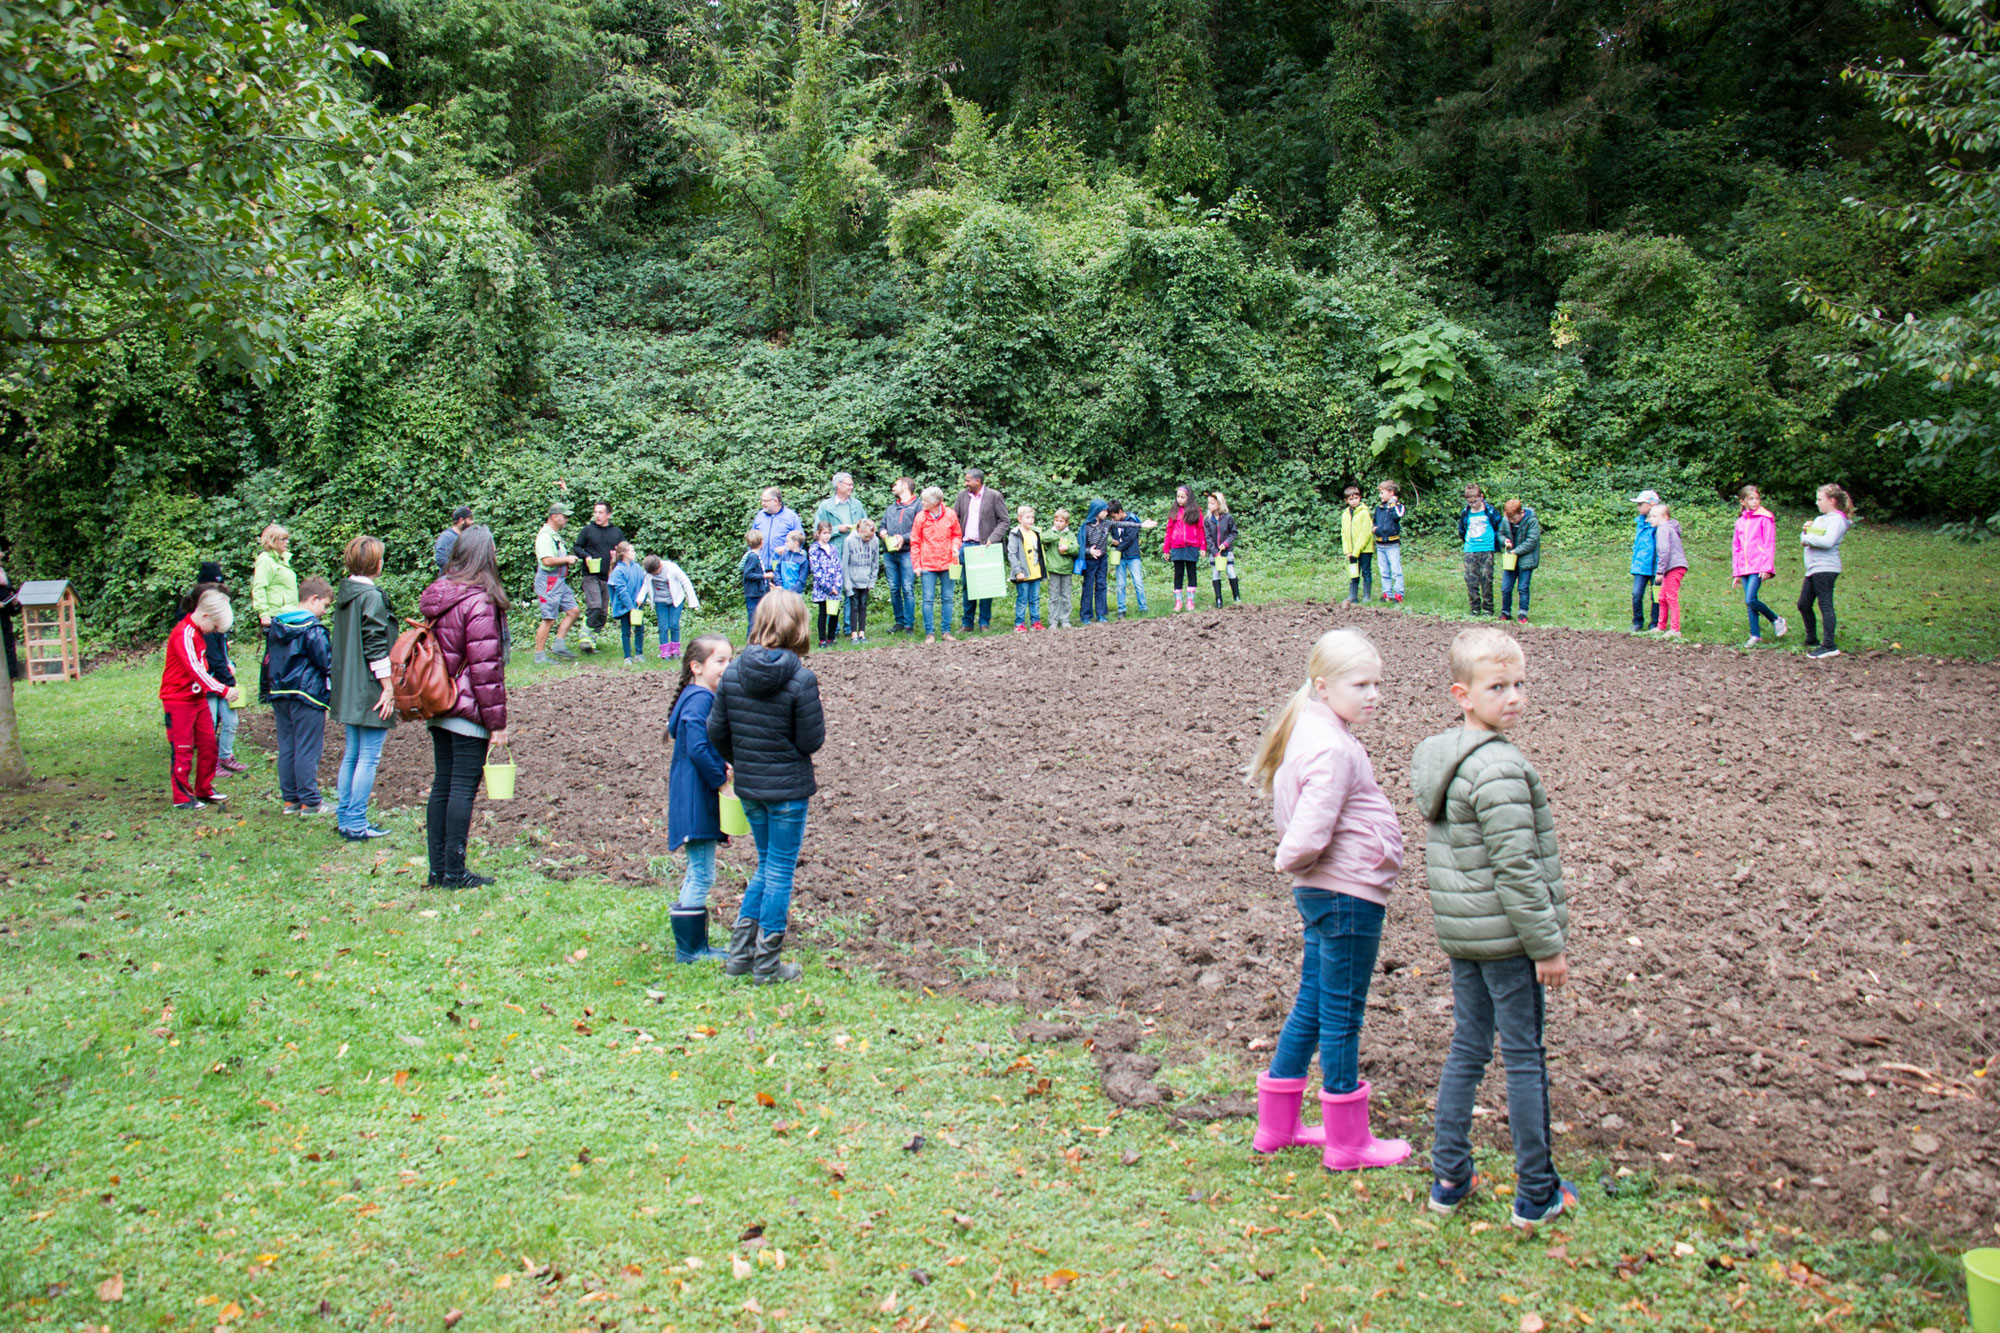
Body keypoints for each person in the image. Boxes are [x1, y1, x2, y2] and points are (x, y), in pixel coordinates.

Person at [1411, 626, 1576, 1229]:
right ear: (1462, 693)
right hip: (1508, 942)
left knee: (1469, 1048)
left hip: (1464, 937)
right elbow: (1517, 870)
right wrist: (1547, 946)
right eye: (1498, 686)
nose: (1514, 697)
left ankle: (1449, 1176)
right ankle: (1537, 1190)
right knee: (1525, 1057)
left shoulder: (1443, 758)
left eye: (1519, 684)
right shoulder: (1500, 769)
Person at [1244, 628, 1409, 1170]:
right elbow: (1313, 826)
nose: (1373, 695)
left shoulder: (1311, 730)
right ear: (1323, 685)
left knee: (1314, 1005)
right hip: (1346, 893)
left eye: (1376, 684)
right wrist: (1288, 857)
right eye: (1360, 684)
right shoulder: (1332, 745)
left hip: (1326, 891)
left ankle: (1278, 1126)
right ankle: (1347, 1142)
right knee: (1341, 1012)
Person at [709, 590, 825, 985]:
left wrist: (744, 761)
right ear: (798, 626)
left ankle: (741, 955)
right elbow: (811, 741)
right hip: (787, 791)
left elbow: (717, 732)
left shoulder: (733, 673)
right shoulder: (801, 678)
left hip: (752, 788)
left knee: (767, 864)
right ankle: (767, 963)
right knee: (779, 870)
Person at [420, 526, 510, 889]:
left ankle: (438, 869)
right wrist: (497, 722)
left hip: (437, 699)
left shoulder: (439, 593)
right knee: (461, 786)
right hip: (467, 706)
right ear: (485, 554)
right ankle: (455, 873)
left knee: (442, 783)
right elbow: (485, 668)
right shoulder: (479, 600)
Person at [666, 633, 735, 964]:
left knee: (697, 871)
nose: (727, 666)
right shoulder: (699, 700)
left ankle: (689, 945)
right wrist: (722, 779)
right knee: (703, 873)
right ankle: (691, 950)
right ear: (696, 667)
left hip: (689, 795)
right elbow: (697, 746)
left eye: (730, 660)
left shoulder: (694, 697)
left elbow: (699, 743)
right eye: (719, 661)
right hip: (696, 797)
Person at [330, 537, 398, 841]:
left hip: (348, 687)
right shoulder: (370, 596)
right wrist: (388, 687)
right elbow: (375, 644)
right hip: (368, 687)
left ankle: (345, 818)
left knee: (352, 753)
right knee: (367, 757)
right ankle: (356, 823)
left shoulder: (346, 593)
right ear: (374, 563)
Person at [161, 587, 239, 810]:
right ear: (205, 615)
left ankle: (204, 788)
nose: (215, 631)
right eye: (214, 626)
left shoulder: (199, 633)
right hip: (178, 700)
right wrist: (224, 690)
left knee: (208, 744)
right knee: (183, 748)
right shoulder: (183, 633)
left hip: (198, 698)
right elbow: (196, 670)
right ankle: (182, 797)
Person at [265, 576, 334, 816]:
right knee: (307, 747)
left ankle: (290, 800)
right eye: (324, 605)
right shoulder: (313, 629)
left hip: (280, 692)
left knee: (287, 746)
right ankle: (311, 801)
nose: (324, 612)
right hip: (308, 694)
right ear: (314, 599)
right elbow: (327, 663)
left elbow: (268, 660)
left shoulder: (277, 626)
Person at [190, 562, 244, 775]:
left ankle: (225, 756)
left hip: (222, 678)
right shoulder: (203, 624)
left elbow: (219, 653)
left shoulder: (217, 624)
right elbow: (212, 658)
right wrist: (229, 682)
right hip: (212, 682)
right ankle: (210, 763)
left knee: (231, 720)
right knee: (209, 724)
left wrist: (229, 664)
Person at [1799, 483, 1853, 660]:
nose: (1816, 502)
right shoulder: (1820, 519)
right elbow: (1804, 538)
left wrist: (1808, 537)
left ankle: (1829, 645)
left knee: (1825, 605)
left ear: (1832, 501)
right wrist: (1806, 535)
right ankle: (1812, 639)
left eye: (1820, 499)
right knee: (1804, 604)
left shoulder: (1837, 520)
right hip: (1813, 568)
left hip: (1826, 567)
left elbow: (1828, 541)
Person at [816, 473, 871, 637]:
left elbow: (867, 525)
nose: (851, 487)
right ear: (838, 485)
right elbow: (816, 530)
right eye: (848, 484)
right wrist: (836, 530)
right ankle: (833, 627)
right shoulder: (825, 507)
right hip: (832, 554)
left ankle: (850, 627)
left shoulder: (857, 505)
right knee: (833, 590)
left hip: (854, 553)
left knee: (851, 589)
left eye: (852, 484)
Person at [1731, 484, 1786, 648]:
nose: (1755, 502)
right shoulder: (1740, 522)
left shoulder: (1765, 518)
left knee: (1751, 599)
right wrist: (1737, 573)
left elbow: (1769, 543)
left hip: (1758, 564)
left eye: (1757, 498)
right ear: (1743, 501)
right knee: (1749, 602)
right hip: (1744, 567)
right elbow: (1737, 547)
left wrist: (1766, 567)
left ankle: (1776, 619)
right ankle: (1755, 635)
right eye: (1751, 499)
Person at [954, 469, 1008, 633]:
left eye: (968, 480)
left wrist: (993, 538)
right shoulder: (962, 496)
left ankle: (984, 622)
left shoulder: (994, 496)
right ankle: (967, 623)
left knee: (986, 586)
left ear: (978, 481)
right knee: (967, 586)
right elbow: (955, 518)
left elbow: (1004, 521)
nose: (966, 483)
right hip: (966, 546)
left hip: (985, 547)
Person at [533, 502, 582, 664]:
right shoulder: (545, 537)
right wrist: (567, 559)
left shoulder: (554, 534)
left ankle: (559, 645)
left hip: (559, 581)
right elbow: (547, 560)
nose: (566, 519)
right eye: (564, 516)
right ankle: (539, 656)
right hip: (549, 582)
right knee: (549, 619)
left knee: (574, 611)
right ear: (554, 517)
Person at [572, 501, 626, 648]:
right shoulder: (588, 530)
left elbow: (624, 550)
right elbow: (576, 547)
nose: (597, 515)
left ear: (608, 515)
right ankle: (584, 636)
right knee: (594, 605)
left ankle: (591, 640)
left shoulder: (616, 532)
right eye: (595, 512)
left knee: (602, 613)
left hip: (609, 577)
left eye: (600, 512)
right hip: (590, 575)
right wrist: (586, 556)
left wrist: (617, 555)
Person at [911, 486, 961, 643]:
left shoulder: (951, 514)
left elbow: (957, 535)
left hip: (947, 563)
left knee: (947, 598)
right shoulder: (920, 517)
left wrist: (955, 546)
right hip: (927, 565)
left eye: (925, 500)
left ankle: (946, 631)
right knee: (928, 599)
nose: (922, 503)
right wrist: (916, 565)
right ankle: (930, 633)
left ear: (936, 502)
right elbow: (915, 542)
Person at [879, 478, 921, 633]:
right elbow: (882, 525)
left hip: (907, 553)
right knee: (894, 588)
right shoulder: (891, 508)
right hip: (890, 554)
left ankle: (909, 624)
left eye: (895, 484)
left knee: (908, 588)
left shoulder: (918, 506)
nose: (893, 487)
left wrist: (904, 538)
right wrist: (882, 532)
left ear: (904, 486)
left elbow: (919, 530)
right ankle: (899, 622)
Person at [645, 551, 700, 660]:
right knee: (663, 626)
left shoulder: (672, 568)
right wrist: (640, 598)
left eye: (656, 572)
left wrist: (693, 602)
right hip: (660, 601)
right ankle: (665, 652)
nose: (655, 575)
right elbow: (645, 585)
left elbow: (686, 582)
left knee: (674, 624)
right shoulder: (649, 572)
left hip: (675, 600)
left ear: (660, 565)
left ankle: (675, 651)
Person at [1162, 484, 1206, 612]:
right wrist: (1166, 548)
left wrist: (1203, 546)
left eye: (1182, 497)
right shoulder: (1174, 512)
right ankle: (1178, 601)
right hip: (1177, 547)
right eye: (1178, 497)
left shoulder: (1196, 511)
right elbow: (1169, 531)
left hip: (1192, 546)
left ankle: (1190, 600)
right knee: (1178, 574)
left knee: (1192, 572)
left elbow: (1201, 529)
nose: (1179, 500)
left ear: (1189, 497)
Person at [1457, 485, 1499, 618]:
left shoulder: (1490, 511)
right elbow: (1462, 529)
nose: (1473, 505)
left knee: (1486, 578)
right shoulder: (1466, 512)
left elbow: (1499, 526)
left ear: (1482, 497)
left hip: (1487, 549)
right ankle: (1474, 608)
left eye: (1475, 502)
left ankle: (1488, 608)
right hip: (1470, 549)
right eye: (1470, 502)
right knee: (1471, 579)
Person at [1648, 503, 1688, 638]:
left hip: (1674, 567)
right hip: (1672, 567)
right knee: (1661, 597)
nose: (1651, 519)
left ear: (1665, 517)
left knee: (1670, 597)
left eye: (1654, 516)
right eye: (1650, 516)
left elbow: (1664, 551)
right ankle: (1661, 626)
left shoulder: (1663, 529)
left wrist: (1660, 571)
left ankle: (1675, 629)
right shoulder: (1668, 528)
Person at [1498, 499, 1540, 624]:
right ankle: (1506, 612)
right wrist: (1504, 541)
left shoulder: (1532, 521)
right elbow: (1500, 533)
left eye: (1514, 519)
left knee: (1523, 587)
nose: (1512, 521)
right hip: (1510, 559)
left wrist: (1517, 551)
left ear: (1521, 512)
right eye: (1509, 519)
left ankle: (1523, 613)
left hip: (1526, 560)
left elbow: (1532, 541)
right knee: (1506, 587)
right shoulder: (1505, 519)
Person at [1006, 504, 1046, 632]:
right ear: (1019, 519)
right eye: (1027, 517)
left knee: (1035, 599)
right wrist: (1017, 571)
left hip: (1036, 571)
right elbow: (1012, 554)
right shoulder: (1015, 534)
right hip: (1023, 573)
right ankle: (1019, 624)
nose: (1031, 520)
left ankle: (1036, 622)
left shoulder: (1035, 533)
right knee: (1022, 599)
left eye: (1032, 517)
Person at [608, 541, 649, 664]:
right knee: (626, 631)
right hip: (625, 607)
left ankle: (639, 653)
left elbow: (644, 584)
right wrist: (630, 608)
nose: (634, 553)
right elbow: (622, 591)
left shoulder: (637, 567)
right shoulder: (618, 571)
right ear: (624, 554)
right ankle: (627, 656)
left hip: (637, 605)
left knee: (640, 629)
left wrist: (642, 598)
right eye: (631, 551)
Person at [842, 518, 882, 643]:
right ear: (859, 530)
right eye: (866, 536)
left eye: (870, 537)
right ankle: (853, 634)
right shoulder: (849, 540)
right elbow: (845, 564)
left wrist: (872, 581)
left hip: (866, 580)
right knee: (853, 607)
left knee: (863, 606)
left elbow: (875, 563)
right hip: (853, 580)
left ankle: (862, 633)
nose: (868, 539)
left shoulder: (874, 540)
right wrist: (847, 584)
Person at [250, 523, 298, 628]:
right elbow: (259, 587)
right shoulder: (265, 560)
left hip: (288, 614)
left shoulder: (283, 560)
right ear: (271, 541)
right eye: (283, 539)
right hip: (275, 616)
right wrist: (264, 614)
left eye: (287, 539)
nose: (287, 542)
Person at [751, 488, 803, 582]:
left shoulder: (791, 516)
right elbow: (752, 539)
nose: (762, 503)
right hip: (761, 568)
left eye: (765, 501)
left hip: (782, 567)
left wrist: (786, 549)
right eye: (762, 500)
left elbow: (800, 540)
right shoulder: (759, 516)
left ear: (775, 501)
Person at [808, 521, 844, 649]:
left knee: (834, 613)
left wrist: (837, 586)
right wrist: (828, 588)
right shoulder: (814, 549)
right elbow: (816, 571)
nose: (827, 536)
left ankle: (831, 637)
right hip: (823, 588)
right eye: (824, 533)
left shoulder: (833, 548)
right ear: (818, 534)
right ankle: (822, 639)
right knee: (823, 613)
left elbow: (839, 568)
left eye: (829, 533)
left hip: (835, 587)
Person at [1629, 489, 1661, 633]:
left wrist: (1661, 568)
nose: (1638, 507)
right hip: (1641, 567)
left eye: (1640, 504)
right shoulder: (1640, 523)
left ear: (1650, 505)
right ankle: (1637, 622)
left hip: (1656, 568)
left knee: (1656, 596)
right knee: (1636, 594)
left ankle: (1655, 623)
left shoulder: (1660, 525)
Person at [1078, 499, 1112, 625]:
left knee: (1102, 584)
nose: (1106, 513)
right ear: (1096, 511)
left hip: (1103, 559)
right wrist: (1089, 551)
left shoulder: (1106, 524)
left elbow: (1124, 524)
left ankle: (1101, 613)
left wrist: (1141, 525)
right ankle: (1085, 615)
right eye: (1104, 510)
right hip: (1090, 561)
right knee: (1088, 587)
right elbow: (1080, 546)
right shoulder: (1086, 527)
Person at [1340, 486, 1375, 604]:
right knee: (1353, 573)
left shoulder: (1364, 513)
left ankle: (1367, 596)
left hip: (1364, 550)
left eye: (1356, 498)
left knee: (1366, 571)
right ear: (1346, 501)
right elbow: (1344, 533)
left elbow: (1365, 533)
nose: (1354, 501)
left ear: (1360, 498)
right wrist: (1347, 551)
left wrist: (1356, 551)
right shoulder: (1345, 514)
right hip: (1350, 552)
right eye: (1351, 499)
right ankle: (1353, 596)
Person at [1372, 482, 1406, 604]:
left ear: (1391, 493)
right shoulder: (1379, 508)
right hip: (1380, 544)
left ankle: (1398, 594)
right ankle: (1387, 594)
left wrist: (1392, 504)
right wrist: (1374, 528)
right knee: (1384, 571)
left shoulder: (1398, 507)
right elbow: (1375, 521)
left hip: (1392, 545)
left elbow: (1398, 516)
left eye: (1382, 493)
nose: (1380, 496)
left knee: (1396, 571)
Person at [1205, 491, 1240, 607]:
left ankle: (1236, 596)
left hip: (1227, 550)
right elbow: (1207, 537)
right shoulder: (1207, 520)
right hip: (1215, 552)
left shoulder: (1228, 517)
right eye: (1208, 503)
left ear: (1219, 505)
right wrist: (1215, 552)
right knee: (1216, 573)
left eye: (1212, 503)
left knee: (1230, 571)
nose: (1209, 505)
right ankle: (1218, 599)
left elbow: (1233, 533)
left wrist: (1226, 544)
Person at [1045, 510, 1077, 628]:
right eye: (1056, 520)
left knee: (1066, 596)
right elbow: (1043, 538)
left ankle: (1065, 620)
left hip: (1067, 570)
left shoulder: (1070, 535)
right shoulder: (1050, 533)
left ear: (1066, 523)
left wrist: (1067, 548)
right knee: (1053, 596)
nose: (1058, 523)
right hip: (1053, 569)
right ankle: (1053, 621)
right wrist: (1056, 536)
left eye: (1061, 521)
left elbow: (1076, 548)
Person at [739, 532, 769, 637]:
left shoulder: (754, 556)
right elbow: (748, 574)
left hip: (758, 592)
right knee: (753, 620)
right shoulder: (752, 557)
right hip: (753, 594)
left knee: (760, 619)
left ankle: (758, 642)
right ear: (761, 542)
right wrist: (765, 576)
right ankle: (750, 643)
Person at [434, 506, 474, 572]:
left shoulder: (465, 537)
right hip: (451, 580)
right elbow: (440, 560)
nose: (472, 522)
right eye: (470, 519)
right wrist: (460, 571)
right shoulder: (447, 537)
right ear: (461, 520)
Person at [774, 529, 810, 595]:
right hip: (782, 592)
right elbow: (777, 570)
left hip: (795, 594)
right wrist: (779, 584)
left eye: (787, 541)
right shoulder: (783, 556)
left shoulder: (803, 561)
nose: (785, 544)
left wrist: (791, 591)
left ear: (795, 544)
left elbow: (801, 581)